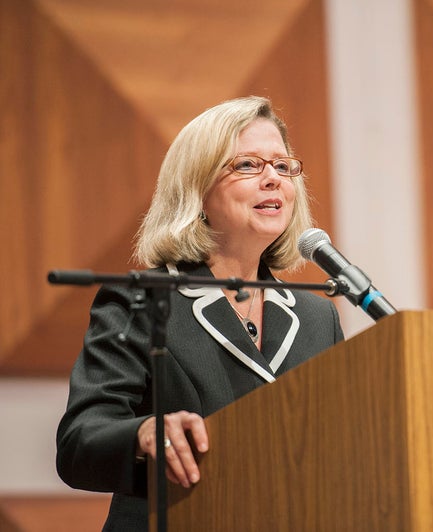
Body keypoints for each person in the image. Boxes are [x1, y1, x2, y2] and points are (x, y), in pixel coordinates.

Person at [56, 96, 344, 530]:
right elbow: (80, 442)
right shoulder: (141, 302)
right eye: (248, 165)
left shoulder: (318, 318)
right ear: (197, 187)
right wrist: (144, 433)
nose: (273, 179)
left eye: (283, 167)